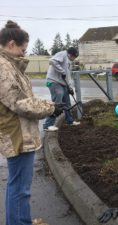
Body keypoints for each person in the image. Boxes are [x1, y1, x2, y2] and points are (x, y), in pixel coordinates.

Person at [0, 20, 63, 225]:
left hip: (20, 131)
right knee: (20, 187)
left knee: (18, 185)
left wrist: (49, 105)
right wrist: (51, 107)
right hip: (17, 134)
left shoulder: (9, 65)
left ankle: (21, 220)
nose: (24, 54)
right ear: (11, 44)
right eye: (23, 49)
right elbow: (19, 102)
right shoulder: (3, 68)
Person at [43, 47, 80, 131]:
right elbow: (52, 61)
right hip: (53, 81)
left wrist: (69, 87)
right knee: (58, 100)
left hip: (62, 83)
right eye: (74, 57)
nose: (74, 59)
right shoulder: (63, 54)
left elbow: (67, 76)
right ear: (70, 54)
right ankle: (47, 125)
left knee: (67, 102)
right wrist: (62, 71)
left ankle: (69, 121)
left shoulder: (69, 62)